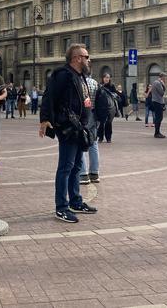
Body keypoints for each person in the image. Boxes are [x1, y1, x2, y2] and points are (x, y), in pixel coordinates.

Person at [39, 43, 98, 223]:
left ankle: (75, 201)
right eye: (86, 56)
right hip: (67, 127)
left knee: (76, 167)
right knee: (65, 167)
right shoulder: (63, 75)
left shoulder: (80, 76)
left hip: (80, 128)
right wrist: (45, 120)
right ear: (77, 58)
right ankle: (61, 207)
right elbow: (49, 96)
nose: (89, 59)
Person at [80, 73, 99, 185]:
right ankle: (94, 173)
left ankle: (83, 174)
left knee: (81, 141)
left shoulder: (80, 83)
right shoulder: (95, 83)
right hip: (94, 114)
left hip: (83, 115)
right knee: (94, 143)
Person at [95, 73, 117, 143]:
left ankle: (108, 137)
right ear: (102, 78)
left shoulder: (111, 86)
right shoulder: (99, 86)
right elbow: (96, 96)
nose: (106, 79)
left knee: (109, 122)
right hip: (101, 107)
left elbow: (115, 94)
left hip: (110, 107)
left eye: (108, 77)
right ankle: (100, 137)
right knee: (101, 123)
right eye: (105, 77)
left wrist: (113, 94)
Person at [151, 72, 167, 138]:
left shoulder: (155, 82)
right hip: (158, 101)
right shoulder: (158, 83)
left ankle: (157, 132)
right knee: (159, 117)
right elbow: (162, 93)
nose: (166, 79)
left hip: (157, 101)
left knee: (159, 117)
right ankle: (157, 133)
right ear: (162, 77)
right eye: (165, 77)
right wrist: (163, 85)